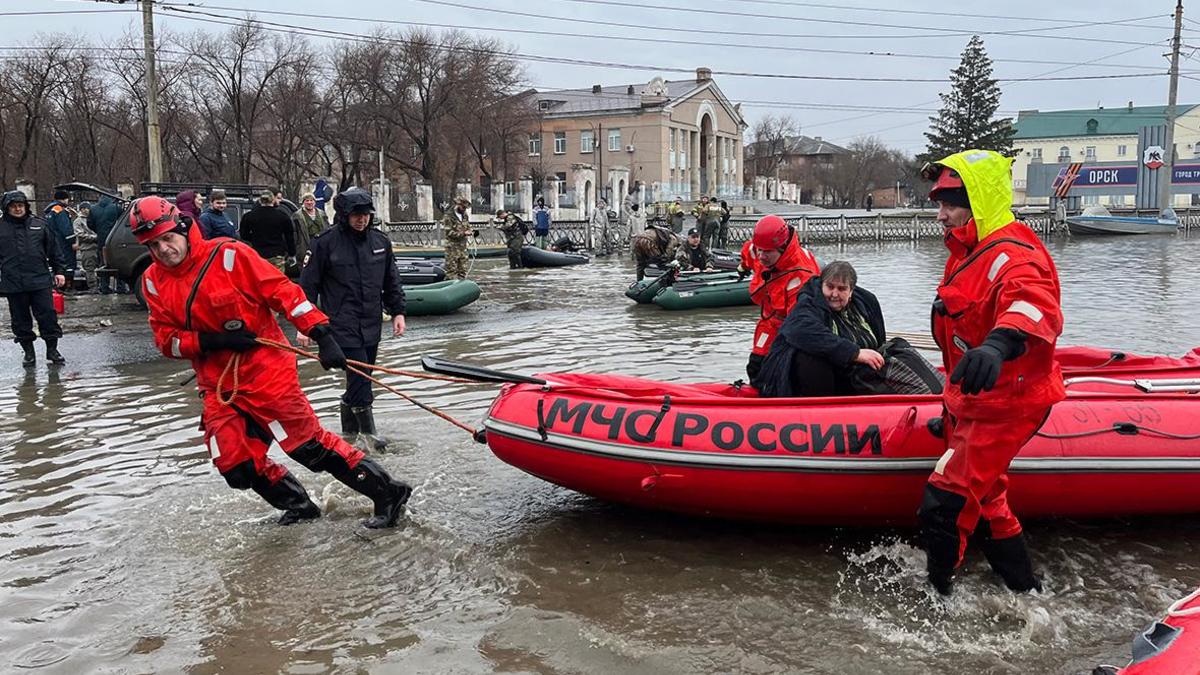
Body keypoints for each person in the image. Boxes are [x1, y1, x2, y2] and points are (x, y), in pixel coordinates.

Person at [132, 195, 411, 528]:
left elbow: (284, 292)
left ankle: (388, 493)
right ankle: (300, 507)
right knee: (234, 466)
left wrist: (322, 334)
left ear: (182, 227)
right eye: (153, 244)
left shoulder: (229, 255)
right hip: (219, 386)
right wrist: (211, 341)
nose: (163, 249)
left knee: (307, 447)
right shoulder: (152, 282)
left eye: (167, 238)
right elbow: (166, 340)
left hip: (267, 373)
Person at [918, 149, 1064, 596]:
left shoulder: (1014, 254)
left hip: (1008, 401)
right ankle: (1025, 590)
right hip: (976, 398)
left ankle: (937, 601)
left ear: (976, 202)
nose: (940, 215)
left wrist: (1001, 343)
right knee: (990, 500)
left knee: (946, 503)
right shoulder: (969, 247)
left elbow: (1032, 302)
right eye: (939, 204)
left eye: (950, 204)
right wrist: (953, 410)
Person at [299, 188, 405, 451]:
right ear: (344, 215)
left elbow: (391, 280)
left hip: (372, 321)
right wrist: (305, 327)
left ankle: (348, 432)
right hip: (341, 323)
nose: (362, 220)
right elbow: (307, 287)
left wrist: (398, 312)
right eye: (356, 215)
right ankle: (369, 436)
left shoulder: (380, 242)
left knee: (364, 374)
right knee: (360, 378)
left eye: (366, 215)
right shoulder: (325, 243)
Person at [756, 261, 885, 398]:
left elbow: (879, 337)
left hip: (854, 375)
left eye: (841, 289)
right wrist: (854, 353)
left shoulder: (866, 302)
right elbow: (800, 330)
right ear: (821, 284)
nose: (834, 294)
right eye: (830, 287)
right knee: (811, 357)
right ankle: (821, 408)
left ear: (851, 291)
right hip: (807, 380)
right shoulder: (808, 304)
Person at [739, 214, 821, 386]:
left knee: (777, 367)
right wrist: (743, 266)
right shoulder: (761, 248)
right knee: (756, 365)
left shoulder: (801, 276)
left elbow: (798, 321)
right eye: (760, 250)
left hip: (788, 324)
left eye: (767, 252)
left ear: (782, 248)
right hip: (769, 320)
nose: (761, 256)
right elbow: (749, 251)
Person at [0, 191, 67, 366]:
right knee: (20, 320)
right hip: (13, 283)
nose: (17, 209)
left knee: (48, 316)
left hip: (40, 281)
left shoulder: (40, 225)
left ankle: (52, 350)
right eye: (13, 206)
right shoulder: (1, 228)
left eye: (20, 205)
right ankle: (29, 353)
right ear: (7, 208)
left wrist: (60, 271)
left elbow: (54, 250)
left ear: (26, 206)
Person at [239, 191, 296, 272]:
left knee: (259, 279)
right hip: (277, 254)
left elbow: (244, 235)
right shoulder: (282, 216)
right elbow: (289, 237)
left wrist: (255, 238)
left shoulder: (249, 216)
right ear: (273, 200)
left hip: (257, 253)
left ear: (259, 201)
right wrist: (292, 254)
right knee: (277, 280)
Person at [89, 195, 127, 294]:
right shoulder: (116, 208)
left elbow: (90, 224)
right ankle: (120, 287)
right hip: (115, 238)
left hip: (102, 240)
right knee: (119, 263)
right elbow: (123, 221)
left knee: (103, 263)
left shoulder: (93, 209)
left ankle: (104, 286)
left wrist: (98, 231)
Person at [43, 189, 76, 282]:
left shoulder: (50, 210)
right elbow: (66, 228)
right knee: (68, 264)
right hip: (63, 243)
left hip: (52, 241)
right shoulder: (60, 210)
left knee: (57, 264)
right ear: (64, 199)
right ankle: (68, 286)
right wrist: (72, 242)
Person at [440, 196, 473, 279]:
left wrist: (471, 232)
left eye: (466, 208)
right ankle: (449, 287)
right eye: (463, 207)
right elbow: (449, 233)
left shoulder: (464, 215)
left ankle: (461, 288)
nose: (464, 209)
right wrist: (463, 233)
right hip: (452, 248)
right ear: (458, 205)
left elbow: (467, 226)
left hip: (463, 247)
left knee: (463, 270)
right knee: (451, 270)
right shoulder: (449, 216)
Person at [291, 192, 329, 263]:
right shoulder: (297, 216)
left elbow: (328, 230)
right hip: (305, 248)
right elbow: (294, 234)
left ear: (315, 202)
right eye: (307, 200)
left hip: (321, 248)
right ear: (303, 202)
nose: (309, 202)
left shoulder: (322, 214)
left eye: (311, 200)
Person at [72, 202, 99, 290]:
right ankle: (93, 288)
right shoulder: (78, 221)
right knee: (89, 269)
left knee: (98, 269)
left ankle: (100, 287)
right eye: (87, 208)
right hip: (87, 248)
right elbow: (80, 235)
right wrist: (95, 237)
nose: (89, 210)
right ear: (82, 209)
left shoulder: (93, 218)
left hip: (96, 247)